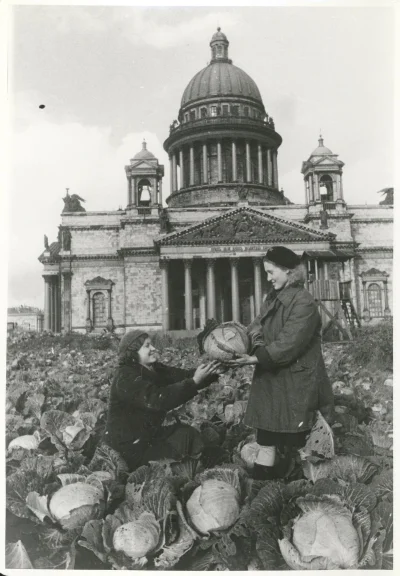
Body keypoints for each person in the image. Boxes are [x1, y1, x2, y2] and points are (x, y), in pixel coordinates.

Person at [227, 246, 334, 480]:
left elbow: (290, 342)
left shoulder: (304, 303)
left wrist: (256, 358)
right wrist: (238, 340)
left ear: (287, 271)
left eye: (271, 272)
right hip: (272, 375)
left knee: (295, 436)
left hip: (295, 379)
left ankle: (299, 483)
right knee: (266, 435)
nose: (268, 278)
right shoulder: (273, 298)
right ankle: (263, 480)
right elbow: (257, 327)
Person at [102, 330, 221, 471]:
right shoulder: (125, 376)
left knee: (188, 434)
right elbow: (159, 399)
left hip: (147, 436)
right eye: (147, 346)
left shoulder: (153, 369)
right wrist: (194, 382)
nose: (153, 349)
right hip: (129, 447)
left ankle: (200, 467)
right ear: (133, 351)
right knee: (176, 455)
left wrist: (214, 371)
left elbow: (183, 376)